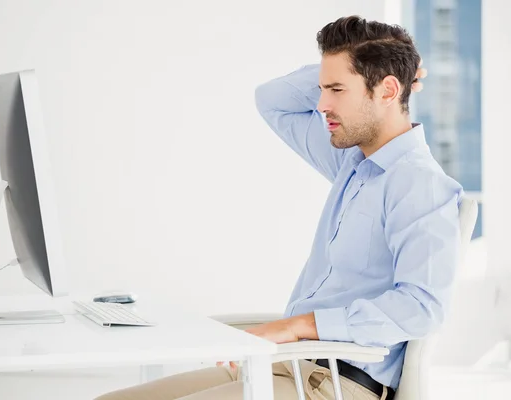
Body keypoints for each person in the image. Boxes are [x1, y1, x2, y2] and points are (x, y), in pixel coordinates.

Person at [95, 15, 462, 400]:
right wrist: (376, 62)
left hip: (338, 386)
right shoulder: (351, 164)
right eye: (322, 89)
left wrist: (300, 326)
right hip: (289, 365)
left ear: (387, 92)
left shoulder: (418, 184)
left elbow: (422, 308)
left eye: (336, 89)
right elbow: (272, 100)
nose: (322, 105)